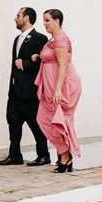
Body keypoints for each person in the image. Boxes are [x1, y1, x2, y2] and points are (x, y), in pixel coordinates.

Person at [0, 7, 50, 166]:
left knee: (36, 125)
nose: (15, 18)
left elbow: (43, 63)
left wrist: (24, 64)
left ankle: (44, 155)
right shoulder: (16, 39)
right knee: (13, 122)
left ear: (26, 18)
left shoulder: (40, 38)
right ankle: (14, 155)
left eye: (18, 15)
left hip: (30, 92)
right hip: (14, 91)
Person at [34, 9, 82, 173]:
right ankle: (64, 155)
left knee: (57, 121)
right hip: (51, 85)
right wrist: (37, 57)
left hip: (62, 86)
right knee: (44, 119)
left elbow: (62, 65)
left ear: (57, 20)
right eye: (44, 20)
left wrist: (58, 90)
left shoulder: (61, 39)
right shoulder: (53, 39)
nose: (44, 23)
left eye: (47, 20)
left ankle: (65, 157)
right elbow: (49, 58)